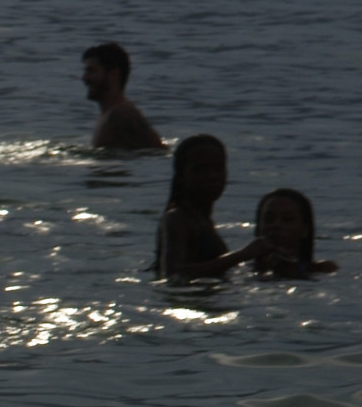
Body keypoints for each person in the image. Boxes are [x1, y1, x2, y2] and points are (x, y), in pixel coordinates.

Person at [153, 134, 265, 281]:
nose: (211, 176)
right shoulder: (176, 218)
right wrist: (243, 255)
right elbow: (174, 274)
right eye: (200, 169)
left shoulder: (202, 220)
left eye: (218, 168)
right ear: (181, 176)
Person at [82, 43, 164, 151]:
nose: (84, 78)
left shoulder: (121, 116)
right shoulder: (109, 115)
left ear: (113, 75)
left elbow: (158, 152)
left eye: (91, 71)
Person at [252, 188, 337, 278]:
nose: (276, 225)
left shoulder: (322, 269)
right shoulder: (241, 265)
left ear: (305, 230)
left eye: (287, 219)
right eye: (268, 219)